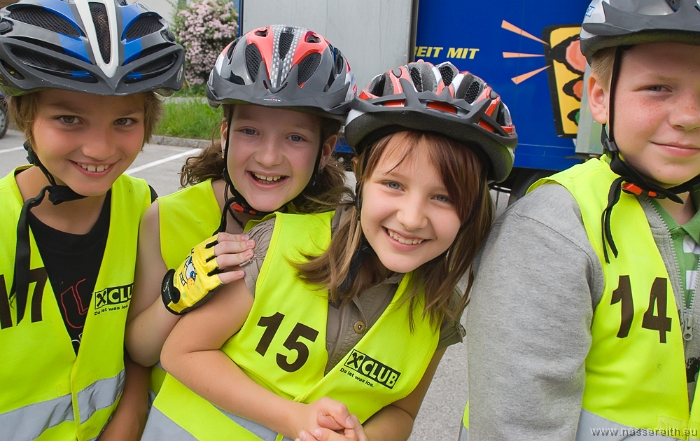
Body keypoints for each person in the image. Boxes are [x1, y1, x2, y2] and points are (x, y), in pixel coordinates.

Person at [139, 60, 517, 441]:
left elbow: (402, 411)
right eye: (394, 185)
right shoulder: (278, 242)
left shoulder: (440, 309)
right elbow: (181, 352)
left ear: (472, 209)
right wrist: (291, 417)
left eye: (443, 197)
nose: (412, 218)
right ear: (362, 176)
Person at [461, 0, 700, 439]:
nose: (689, 116)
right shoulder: (553, 227)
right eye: (658, 89)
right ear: (599, 98)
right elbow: (516, 423)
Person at [124, 24, 356, 400]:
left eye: (295, 138)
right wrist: (179, 287)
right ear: (225, 133)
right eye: (250, 131)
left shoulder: (334, 231)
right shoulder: (165, 217)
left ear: (326, 151)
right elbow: (140, 349)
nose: (268, 156)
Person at [0, 0, 184, 439]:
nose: (100, 150)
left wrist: (128, 419)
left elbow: (137, 346)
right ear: (24, 116)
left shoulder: (142, 207)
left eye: (124, 120)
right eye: (68, 118)